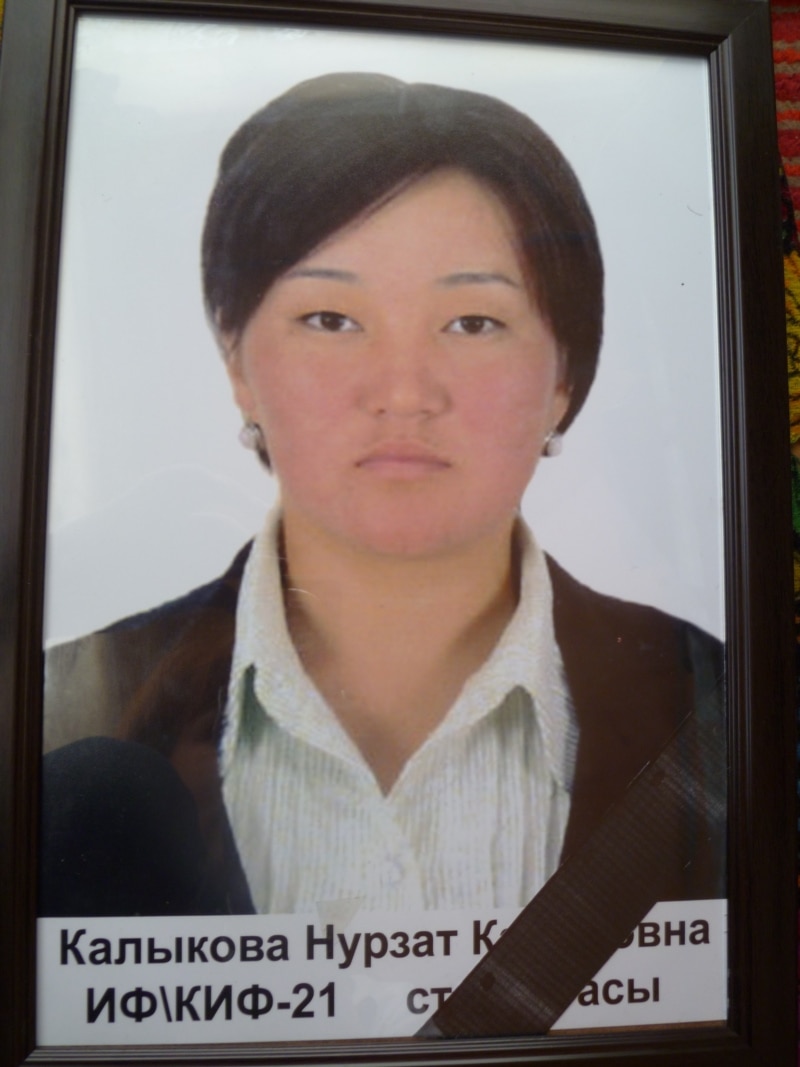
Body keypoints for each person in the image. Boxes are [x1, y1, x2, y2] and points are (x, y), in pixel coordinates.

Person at [41, 73, 725, 923]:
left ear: (565, 375)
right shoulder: (60, 708)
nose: (404, 394)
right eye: (331, 319)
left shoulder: (720, 701)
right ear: (235, 356)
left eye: (473, 322)